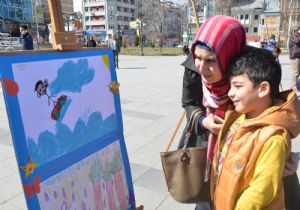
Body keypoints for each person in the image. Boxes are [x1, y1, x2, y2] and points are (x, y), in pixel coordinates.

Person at [179, 15, 299, 210]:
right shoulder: (195, 67)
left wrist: (283, 157)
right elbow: (188, 102)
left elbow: (274, 110)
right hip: (212, 147)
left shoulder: (247, 64)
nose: (201, 67)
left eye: (210, 60)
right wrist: (203, 120)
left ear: (228, 56)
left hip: (249, 149)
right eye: (197, 57)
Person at [210, 46, 300, 210]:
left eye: (237, 86)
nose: (230, 93)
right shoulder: (240, 116)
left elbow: (261, 191)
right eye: (231, 86)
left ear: (263, 89)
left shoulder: (274, 138)